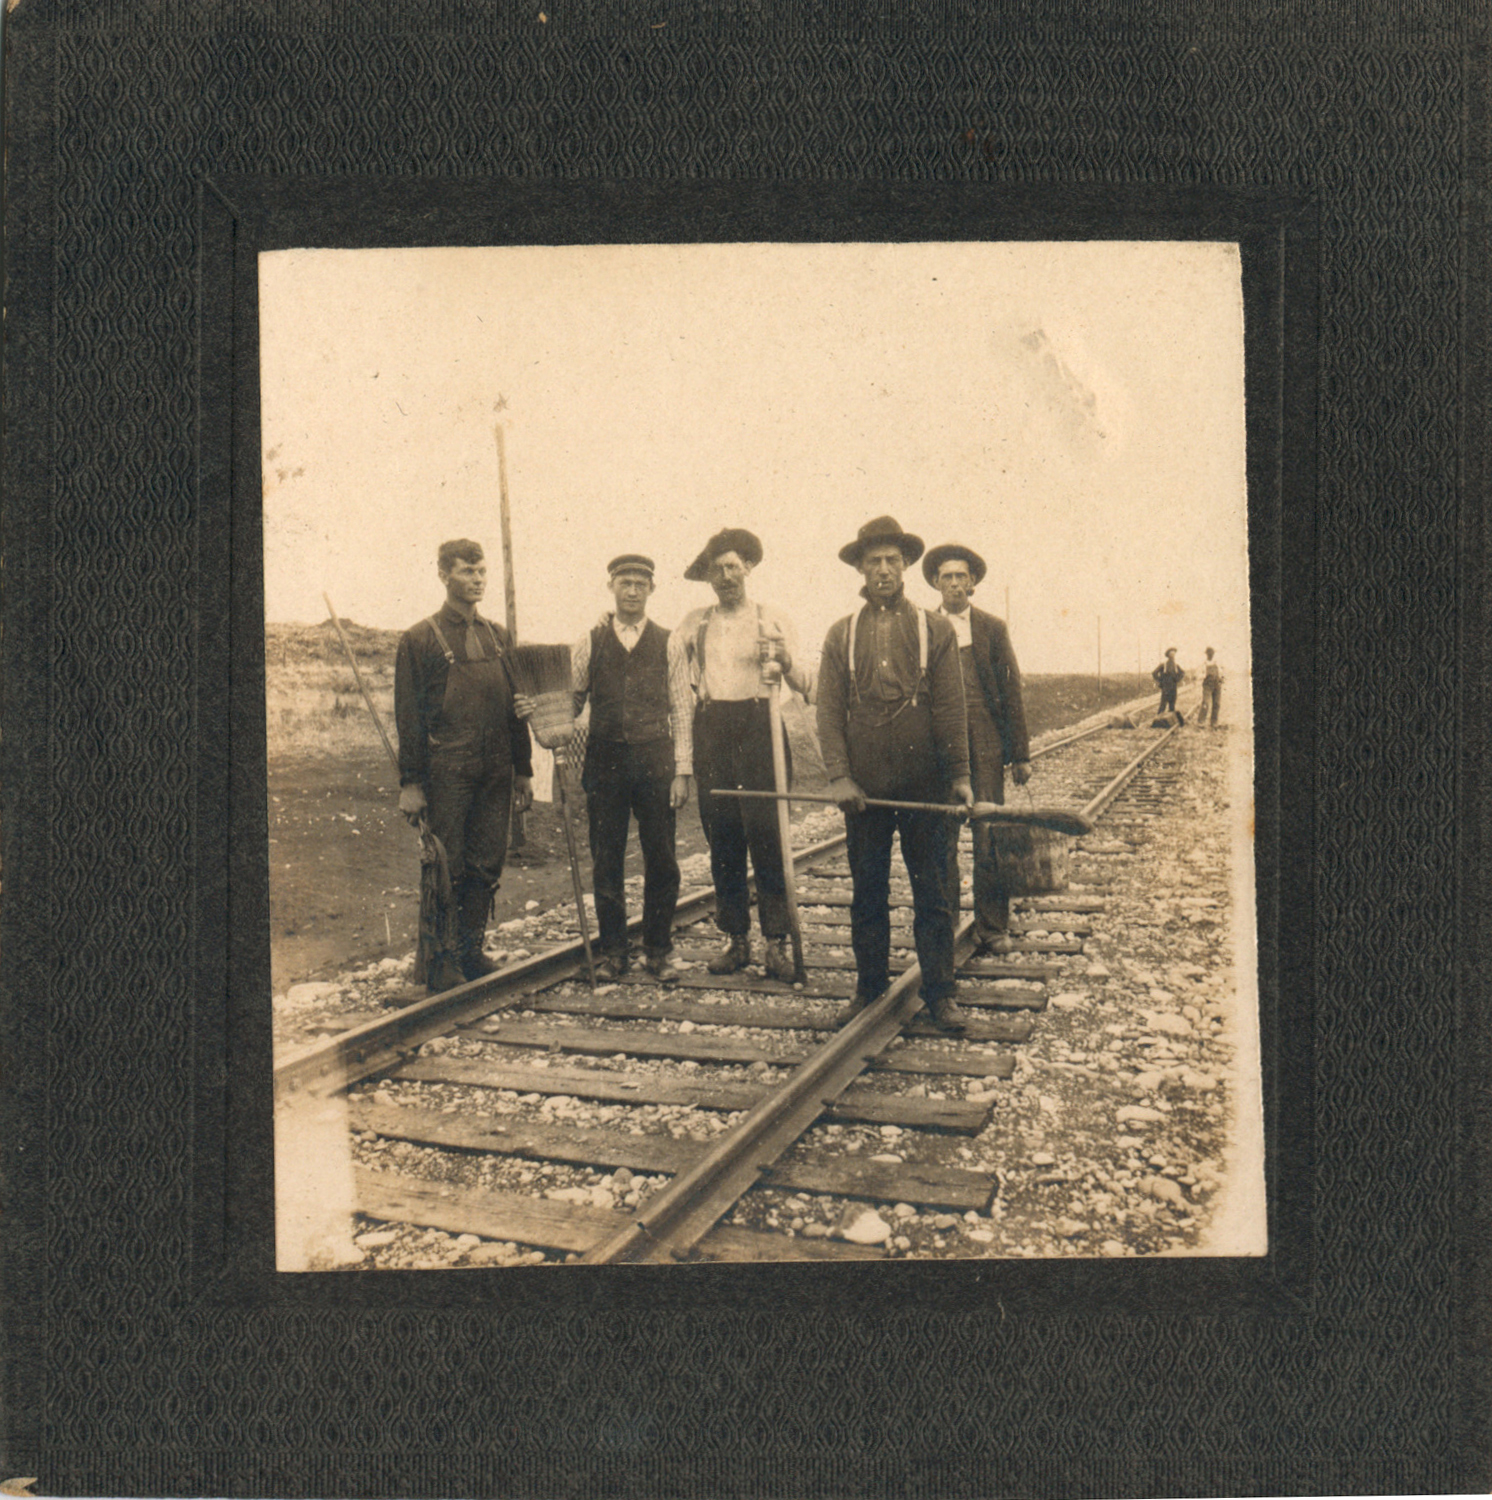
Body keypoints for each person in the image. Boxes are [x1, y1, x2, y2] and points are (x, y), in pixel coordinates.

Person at [816, 516, 974, 1032]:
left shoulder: (936, 629)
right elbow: (829, 712)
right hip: (866, 790)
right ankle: (869, 989)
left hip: (925, 784)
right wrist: (839, 776)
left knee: (933, 892)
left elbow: (952, 707)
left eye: (891, 560)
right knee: (867, 890)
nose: (883, 569)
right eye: (873, 561)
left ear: (904, 565)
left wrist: (960, 775)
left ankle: (940, 993)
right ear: (860, 567)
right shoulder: (843, 633)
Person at [671, 528, 812, 982]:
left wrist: (783, 659)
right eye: (718, 569)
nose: (727, 575)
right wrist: (685, 762)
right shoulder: (694, 624)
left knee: (769, 837)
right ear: (708, 576)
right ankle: (736, 940)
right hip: (714, 731)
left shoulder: (772, 619)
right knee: (724, 841)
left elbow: (808, 684)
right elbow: (676, 689)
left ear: (748, 568)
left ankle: (776, 943)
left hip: (761, 729)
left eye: (734, 566)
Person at [395, 539, 533, 991]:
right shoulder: (420, 638)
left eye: (481, 571)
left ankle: (471, 951)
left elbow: (517, 707)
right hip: (448, 767)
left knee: (487, 861)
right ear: (443, 576)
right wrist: (411, 783)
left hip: (497, 766)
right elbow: (409, 719)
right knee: (446, 866)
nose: (477, 580)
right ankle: (441, 960)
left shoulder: (498, 635)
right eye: (466, 572)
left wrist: (524, 769)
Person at [568, 555, 694, 982]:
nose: (633, 590)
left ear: (652, 589)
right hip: (604, 762)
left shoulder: (669, 641)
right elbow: (571, 698)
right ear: (611, 587)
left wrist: (682, 770)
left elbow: (681, 707)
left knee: (662, 859)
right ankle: (615, 952)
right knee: (607, 860)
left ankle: (657, 950)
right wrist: (551, 723)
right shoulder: (590, 640)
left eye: (641, 583)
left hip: (655, 761)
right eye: (625, 582)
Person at [923, 542, 1032, 951]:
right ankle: (946, 923)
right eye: (946, 577)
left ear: (973, 584)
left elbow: (1012, 690)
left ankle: (993, 925)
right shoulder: (922, 625)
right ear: (936, 582)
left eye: (961, 577)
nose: (954, 584)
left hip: (985, 738)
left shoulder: (992, 627)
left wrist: (1019, 754)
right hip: (939, 742)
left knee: (989, 833)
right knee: (942, 833)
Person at [1152, 647, 1185, 718]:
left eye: (1174, 654)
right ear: (1168, 656)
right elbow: (1154, 673)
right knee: (1163, 704)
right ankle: (1158, 719)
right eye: (1171, 654)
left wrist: (1177, 679)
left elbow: (1182, 673)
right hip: (1166, 686)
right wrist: (1160, 680)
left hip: (1173, 686)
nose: (1173, 656)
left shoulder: (1176, 665)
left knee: (1172, 703)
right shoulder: (1163, 665)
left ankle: (1170, 719)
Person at [1200, 647, 1223, 727]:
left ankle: (1214, 722)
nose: (1211, 654)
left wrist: (1221, 678)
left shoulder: (1217, 663)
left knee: (1216, 703)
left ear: (1214, 654)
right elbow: (1200, 674)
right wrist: (1203, 676)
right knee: (1205, 702)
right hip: (1207, 685)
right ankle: (1201, 721)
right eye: (1209, 653)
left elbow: (1221, 673)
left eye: (1212, 653)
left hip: (1217, 685)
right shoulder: (1204, 664)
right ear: (1206, 654)